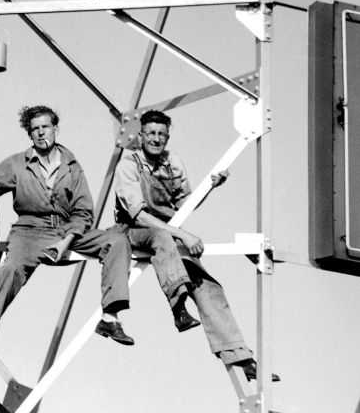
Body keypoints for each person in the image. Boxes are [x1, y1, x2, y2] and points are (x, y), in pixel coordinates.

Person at [112, 109, 279, 381]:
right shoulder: (129, 164)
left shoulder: (172, 162)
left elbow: (184, 205)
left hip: (167, 233)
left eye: (162, 135)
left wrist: (211, 187)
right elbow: (137, 214)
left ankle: (241, 357)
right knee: (166, 238)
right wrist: (183, 235)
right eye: (151, 133)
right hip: (133, 230)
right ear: (141, 135)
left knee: (208, 286)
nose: (156, 139)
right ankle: (178, 306)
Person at [0, 105, 135, 347]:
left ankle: (110, 318)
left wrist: (66, 242)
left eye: (45, 127)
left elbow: (83, 212)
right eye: (35, 129)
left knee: (117, 241)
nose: (41, 133)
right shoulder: (16, 164)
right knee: (11, 268)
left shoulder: (72, 166)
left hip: (67, 230)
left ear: (55, 129)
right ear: (30, 134)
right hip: (29, 232)